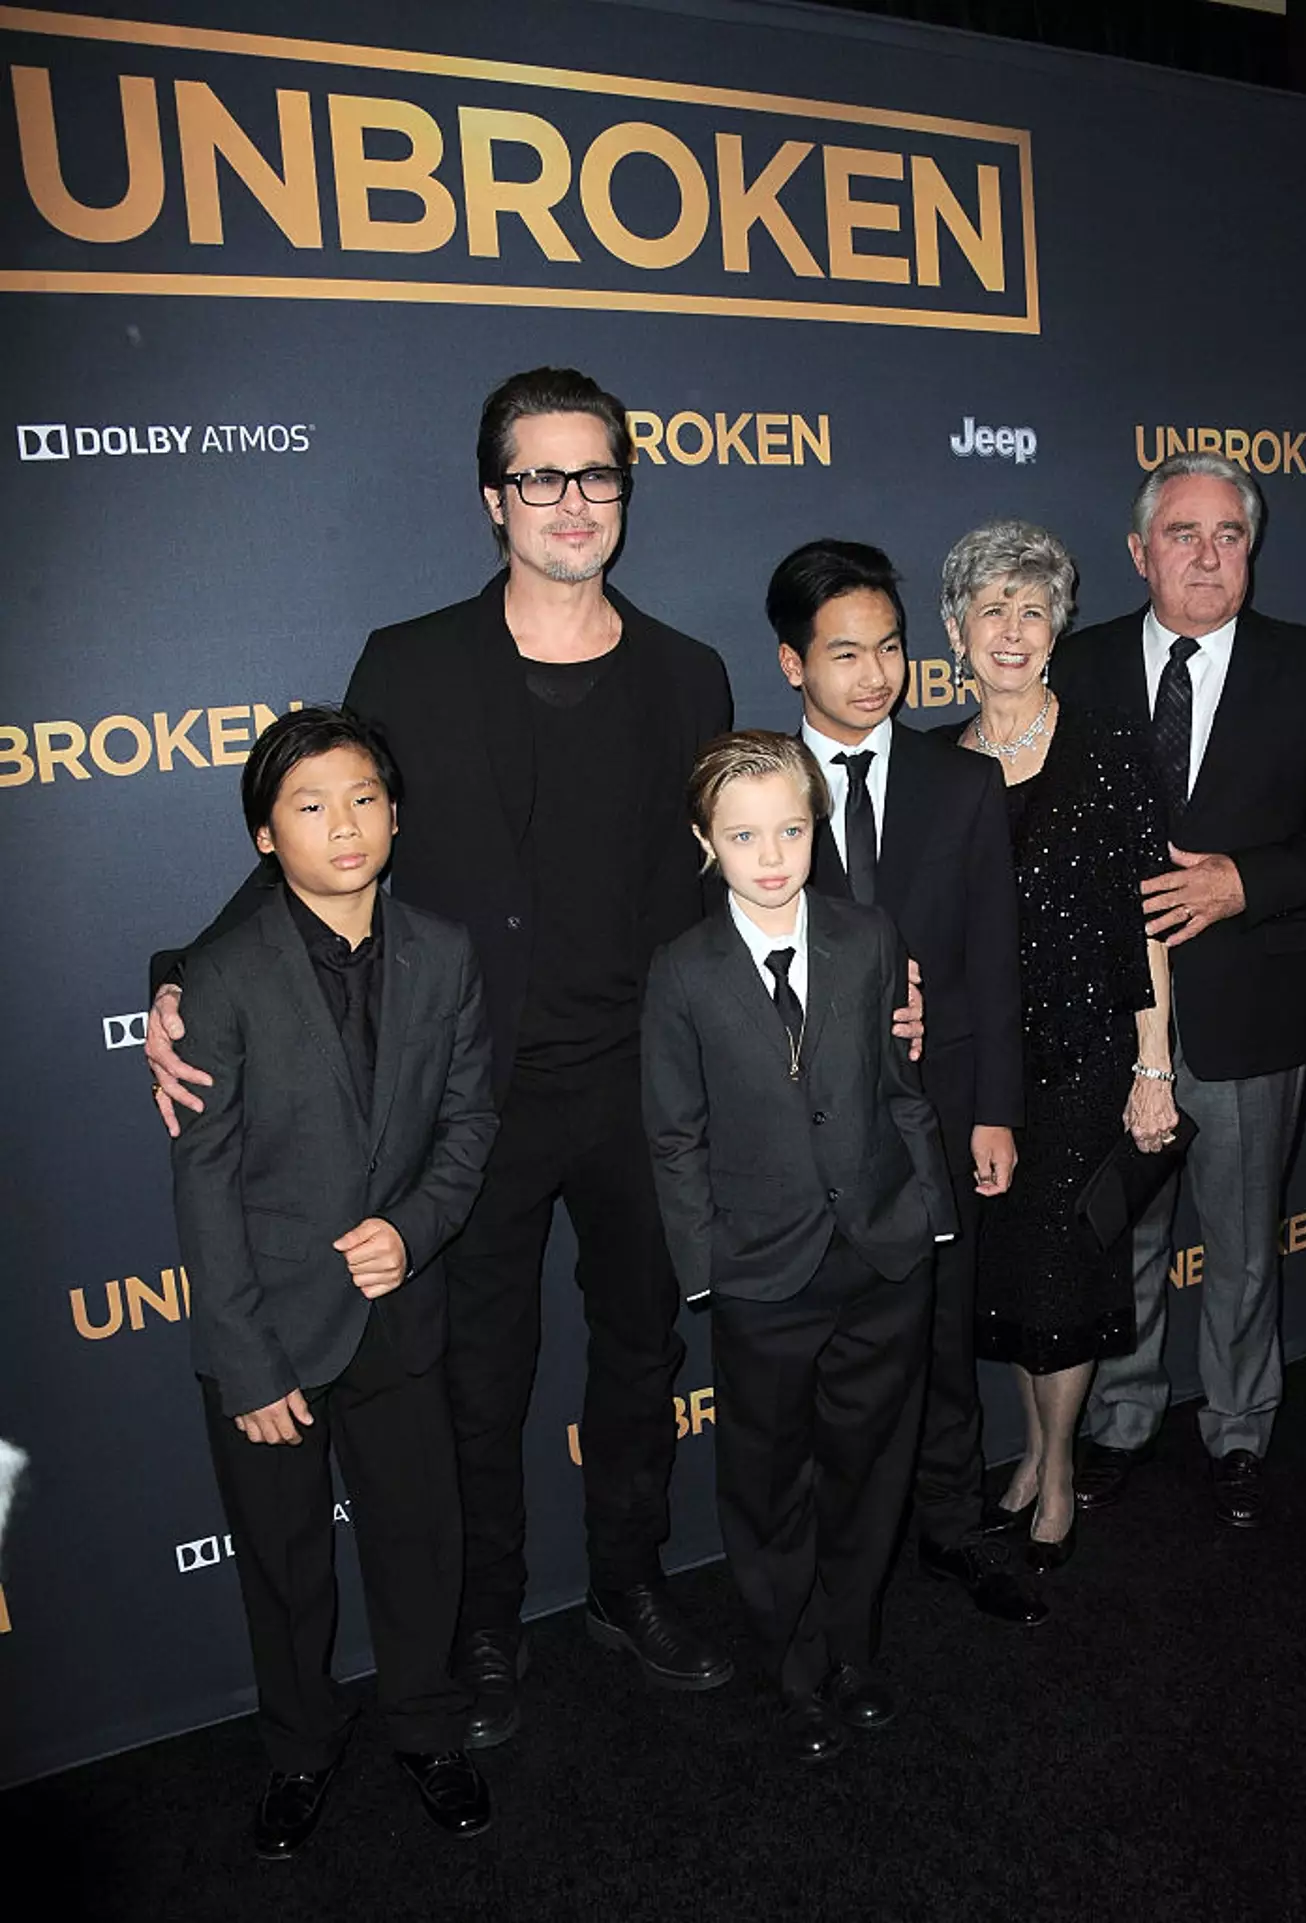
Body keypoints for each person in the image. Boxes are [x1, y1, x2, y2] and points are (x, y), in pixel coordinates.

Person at [146, 367, 737, 1748]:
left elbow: (744, 870)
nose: (572, 500)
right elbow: (318, 839)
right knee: (478, 1366)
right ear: (493, 501)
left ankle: (629, 1579)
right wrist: (183, 980)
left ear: (623, 494)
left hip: (643, 1082)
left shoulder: (688, 671)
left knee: (640, 1350)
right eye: (542, 476)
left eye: (597, 474)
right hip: (470, 1095)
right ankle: (485, 1610)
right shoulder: (407, 663)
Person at [1050, 454, 1306, 1527]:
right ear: (1137, 551)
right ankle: (1119, 1421)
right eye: (1183, 534)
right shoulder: (1080, 662)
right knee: (1124, 1237)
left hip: (1253, 1009)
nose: (1207, 555)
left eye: (1229, 536)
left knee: (1246, 1246)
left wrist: (1243, 882)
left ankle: (1240, 1429)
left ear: (1252, 550)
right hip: (1114, 1018)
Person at [171, 707, 496, 1857]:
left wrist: (412, 1231)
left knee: (419, 1540)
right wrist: (244, 1359)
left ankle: (428, 1727)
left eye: (363, 798)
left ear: (396, 814)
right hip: (268, 1331)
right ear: (267, 836)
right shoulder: (219, 976)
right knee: (286, 1562)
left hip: (402, 1314)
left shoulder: (444, 952)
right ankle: (299, 1750)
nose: (343, 825)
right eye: (309, 807)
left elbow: (468, 1124)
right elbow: (202, 1180)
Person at [642, 732, 957, 1763]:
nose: (771, 855)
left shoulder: (868, 936)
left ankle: (856, 1648)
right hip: (761, 1273)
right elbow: (674, 1133)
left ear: (817, 826)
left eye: (790, 828)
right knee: (770, 1479)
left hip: (879, 1252)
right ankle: (795, 1661)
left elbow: (900, 1089)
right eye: (743, 835)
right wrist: (708, 1269)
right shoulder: (682, 972)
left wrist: (930, 1212)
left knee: (870, 1466)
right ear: (705, 842)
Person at [764, 540, 1044, 1625]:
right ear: (793, 664)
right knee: (823, 1353)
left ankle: (952, 1526)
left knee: (940, 1336)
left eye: (889, 647)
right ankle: (838, 1557)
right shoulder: (753, 788)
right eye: (844, 653)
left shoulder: (962, 781)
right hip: (803, 1130)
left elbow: (993, 959)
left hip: (942, 1115)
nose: (875, 674)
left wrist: (995, 1113)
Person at [940, 521, 1178, 1568]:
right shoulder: (934, 767)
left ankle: (1057, 1464)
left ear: (1058, 628)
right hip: (984, 1069)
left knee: (1066, 1278)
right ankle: (1032, 1455)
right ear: (955, 630)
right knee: (1010, 1275)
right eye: (992, 609)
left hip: (1088, 1055)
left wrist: (1153, 1064)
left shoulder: (1109, 743)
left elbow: (1147, 919)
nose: (1013, 629)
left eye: (1033, 610)